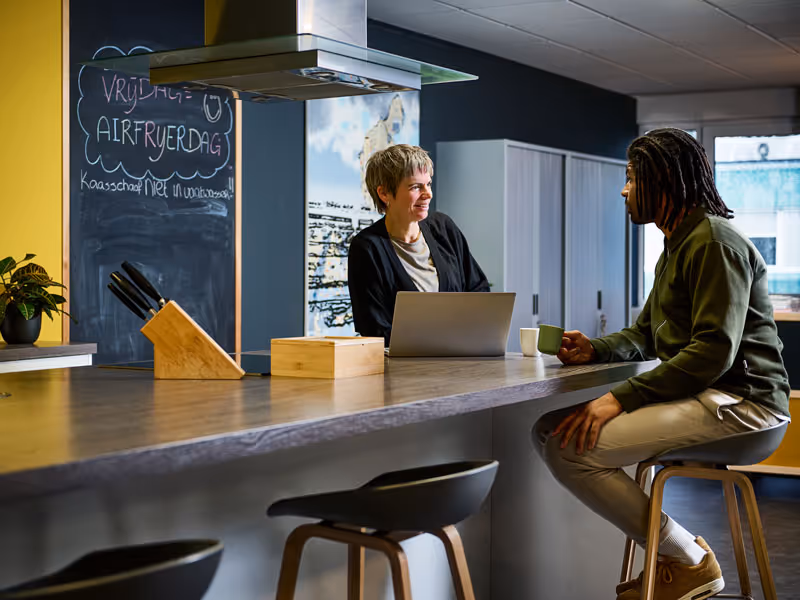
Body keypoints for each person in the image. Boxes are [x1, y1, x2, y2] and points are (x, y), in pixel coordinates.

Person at [532, 128, 790, 600]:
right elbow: (647, 335)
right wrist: (597, 349)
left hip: (747, 407)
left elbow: (713, 352)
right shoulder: (676, 245)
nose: (624, 189)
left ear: (663, 179)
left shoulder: (714, 242)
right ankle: (682, 558)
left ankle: (688, 560)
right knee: (551, 430)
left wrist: (617, 398)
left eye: (631, 178)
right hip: (709, 398)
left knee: (569, 447)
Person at [348, 144, 489, 345]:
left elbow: (479, 291)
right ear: (384, 193)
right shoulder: (367, 249)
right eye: (416, 187)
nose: (428, 193)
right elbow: (374, 329)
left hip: (461, 363)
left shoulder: (444, 229)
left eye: (428, 184)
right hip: (404, 372)